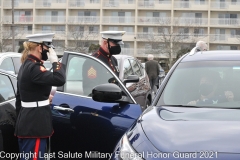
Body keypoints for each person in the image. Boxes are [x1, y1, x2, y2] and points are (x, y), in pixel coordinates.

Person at [14, 33, 66, 160]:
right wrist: (56, 62)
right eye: (48, 47)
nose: (49, 51)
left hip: (28, 122)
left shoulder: (27, 65)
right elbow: (60, 79)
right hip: (35, 125)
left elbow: (20, 97)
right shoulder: (34, 68)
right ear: (39, 47)